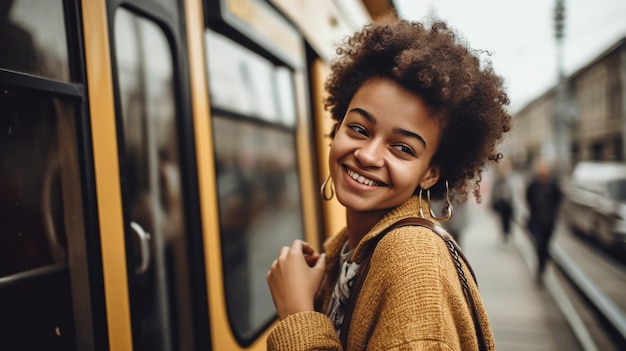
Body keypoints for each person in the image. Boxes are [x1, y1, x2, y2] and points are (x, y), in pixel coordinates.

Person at [266, 16, 511, 350]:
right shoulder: (349, 254)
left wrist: (296, 315)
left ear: (430, 173)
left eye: (402, 148)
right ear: (337, 128)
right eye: (359, 129)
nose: (368, 155)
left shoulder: (414, 262)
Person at [525, 159, 562, 282]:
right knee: (539, 245)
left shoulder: (553, 185)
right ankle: (540, 270)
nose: (543, 170)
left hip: (549, 222)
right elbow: (528, 198)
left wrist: (553, 215)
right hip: (536, 221)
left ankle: (542, 268)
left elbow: (558, 200)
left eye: (545, 167)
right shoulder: (533, 185)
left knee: (545, 245)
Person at [490, 161, 514, 244]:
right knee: (500, 220)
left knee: (507, 220)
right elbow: (494, 192)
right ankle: (502, 235)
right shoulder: (497, 179)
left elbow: (513, 192)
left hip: (508, 203)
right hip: (500, 203)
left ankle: (507, 234)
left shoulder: (510, 178)